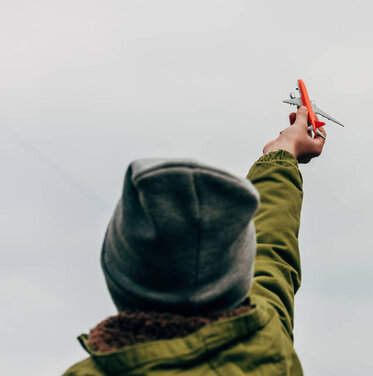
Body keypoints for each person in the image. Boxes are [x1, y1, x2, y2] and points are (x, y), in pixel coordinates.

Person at [63, 107, 326, 375]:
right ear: (238, 273)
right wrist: (282, 153)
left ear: (117, 272)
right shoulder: (268, 342)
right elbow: (271, 247)